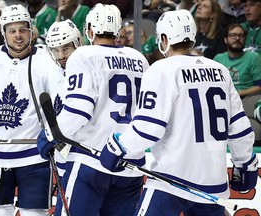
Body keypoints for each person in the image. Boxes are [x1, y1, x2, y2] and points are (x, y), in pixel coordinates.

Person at [99, 9, 258, 216]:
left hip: (171, 181)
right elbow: (239, 127)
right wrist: (245, 163)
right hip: (213, 183)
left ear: (164, 38)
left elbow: (148, 129)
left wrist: (118, 147)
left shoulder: (161, 70)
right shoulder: (220, 70)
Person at [37, 3, 150, 216]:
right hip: (130, 165)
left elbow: (78, 110)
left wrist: (50, 134)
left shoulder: (84, 55)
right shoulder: (140, 60)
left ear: (89, 30)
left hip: (91, 161)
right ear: (118, 30)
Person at [0, 4, 55, 216]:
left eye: (22, 29)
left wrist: (53, 136)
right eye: (12, 30)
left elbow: (56, 107)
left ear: (30, 30)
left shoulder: (47, 60)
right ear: (3, 32)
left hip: (35, 157)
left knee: (34, 214)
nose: (18, 35)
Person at [45, 19, 82, 177]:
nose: (61, 56)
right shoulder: (51, 72)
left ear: (77, 42)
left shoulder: (88, 69)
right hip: (61, 151)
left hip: (85, 154)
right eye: (55, 50)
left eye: (65, 48)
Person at [214, 23, 261, 98]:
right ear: (225, 39)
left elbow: (259, 87)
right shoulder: (218, 59)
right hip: (223, 99)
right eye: (233, 35)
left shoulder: (253, 57)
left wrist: (237, 93)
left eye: (241, 36)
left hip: (247, 99)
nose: (237, 38)